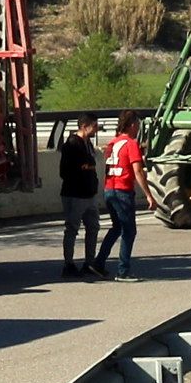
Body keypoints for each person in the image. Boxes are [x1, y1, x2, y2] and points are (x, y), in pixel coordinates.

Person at [100, 116, 146, 276]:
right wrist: (149, 194)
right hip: (123, 190)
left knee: (116, 227)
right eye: (137, 124)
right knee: (129, 231)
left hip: (109, 189)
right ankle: (123, 271)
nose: (138, 128)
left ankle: (98, 262)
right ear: (132, 125)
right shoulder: (131, 144)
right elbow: (138, 171)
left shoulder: (112, 143)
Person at [57, 120, 100, 275]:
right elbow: (64, 171)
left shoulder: (87, 144)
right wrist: (82, 173)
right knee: (72, 229)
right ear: (84, 126)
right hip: (75, 194)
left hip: (89, 194)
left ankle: (89, 262)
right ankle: (68, 264)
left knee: (93, 227)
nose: (96, 129)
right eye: (94, 125)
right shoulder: (71, 145)